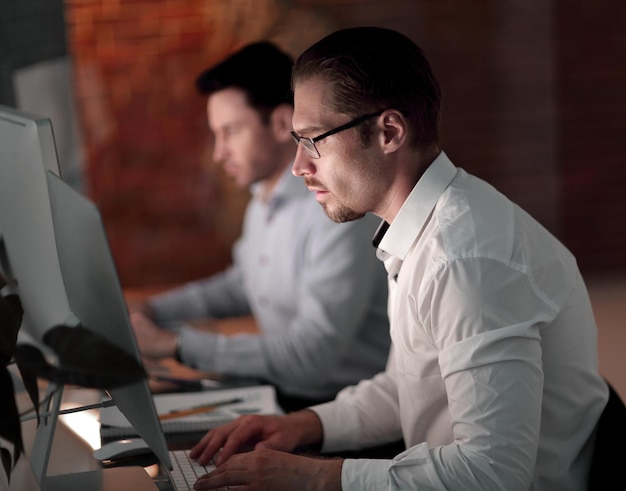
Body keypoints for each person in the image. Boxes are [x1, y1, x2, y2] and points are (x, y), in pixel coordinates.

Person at [188, 27, 610, 490]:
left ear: (389, 132)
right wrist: (304, 425)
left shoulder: (464, 259)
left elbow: (493, 474)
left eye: (313, 140)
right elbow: (409, 388)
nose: (298, 166)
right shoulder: (420, 227)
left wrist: (315, 478)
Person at [129, 41, 391, 412]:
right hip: (287, 396)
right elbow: (243, 284)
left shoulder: (336, 210)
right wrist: (152, 310)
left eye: (231, 132)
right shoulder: (264, 199)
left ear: (282, 123)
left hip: (341, 413)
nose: (220, 153)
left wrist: (176, 345)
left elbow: (310, 356)